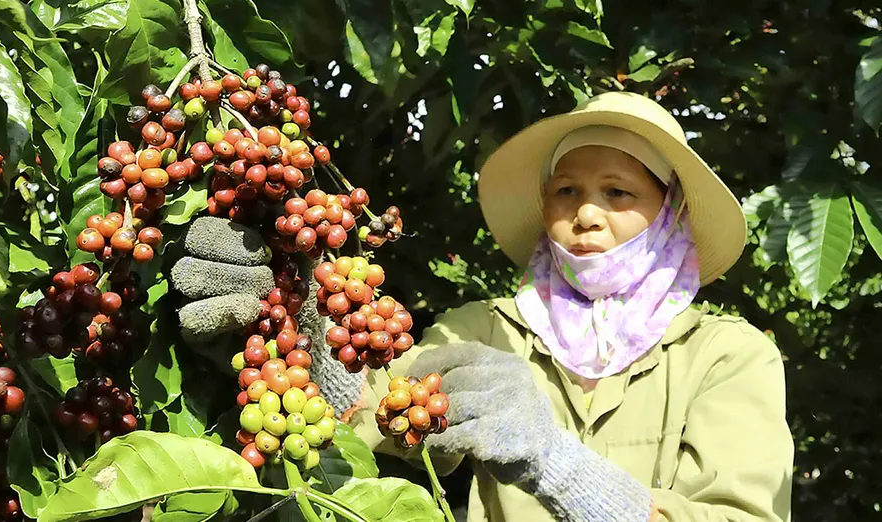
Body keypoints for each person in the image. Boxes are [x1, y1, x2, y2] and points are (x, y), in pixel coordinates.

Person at [171, 92, 794, 521]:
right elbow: (373, 407)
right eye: (566, 190)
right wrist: (298, 318)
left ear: (670, 213)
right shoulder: (487, 329)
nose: (586, 213)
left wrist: (555, 463)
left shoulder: (727, 357)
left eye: (618, 192)